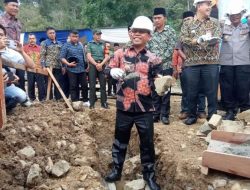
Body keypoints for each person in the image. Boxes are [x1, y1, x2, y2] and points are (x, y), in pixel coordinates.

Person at [105, 16, 161, 190]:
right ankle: (117, 170)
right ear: (130, 33)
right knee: (120, 141)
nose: (136, 34)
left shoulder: (154, 58)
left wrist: (162, 84)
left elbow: (157, 79)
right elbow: (107, 69)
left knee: (147, 143)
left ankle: (149, 176)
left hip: (145, 108)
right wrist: (111, 70)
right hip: (124, 106)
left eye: (141, 31)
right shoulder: (120, 54)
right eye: (134, 31)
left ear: (149, 36)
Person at [180, 0, 221, 125]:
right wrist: (196, 41)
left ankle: (212, 117)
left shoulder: (214, 22)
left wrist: (210, 40)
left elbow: (218, 35)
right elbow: (182, 38)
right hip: (192, 63)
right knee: (192, 91)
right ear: (198, 6)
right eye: (207, 5)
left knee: (212, 91)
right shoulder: (188, 23)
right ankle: (192, 115)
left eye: (210, 5)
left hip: (211, 62)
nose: (209, 7)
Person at [172, 11, 206, 120]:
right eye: (185, 20)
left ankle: (201, 111)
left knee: (200, 89)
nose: (187, 21)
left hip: (200, 65)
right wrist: (187, 58)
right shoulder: (182, 33)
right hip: (186, 66)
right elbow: (178, 49)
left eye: (189, 19)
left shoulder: (201, 31)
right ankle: (185, 110)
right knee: (186, 90)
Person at [219, 3, 250, 120]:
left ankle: (245, 110)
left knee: (244, 87)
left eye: (237, 15)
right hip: (226, 62)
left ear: (241, 14)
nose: (235, 17)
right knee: (226, 87)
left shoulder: (247, 25)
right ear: (229, 17)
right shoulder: (223, 26)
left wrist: (247, 18)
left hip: (244, 61)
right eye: (232, 16)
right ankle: (230, 111)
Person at [148, 7, 176, 125]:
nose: (156, 20)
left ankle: (164, 115)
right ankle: (155, 114)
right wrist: (152, 59)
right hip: (153, 67)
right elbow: (147, 48)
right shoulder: (150, 33)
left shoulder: (170, 31)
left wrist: (159, 59)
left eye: (159, 18)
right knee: (154, 91)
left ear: (165, 18)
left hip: (165, 66)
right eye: (155, 18)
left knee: (164, 92)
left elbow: (171, 48)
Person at [0, 24, 35, 111]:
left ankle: (6, 104)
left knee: (21, 96)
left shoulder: (12, 53)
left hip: (6, 86)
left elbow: (32, 66)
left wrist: (22, 51)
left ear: (5, 37)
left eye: (1, 35)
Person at [0, 0, 25, 91]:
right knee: (8, 77)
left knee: (20, 77)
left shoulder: (18, 22)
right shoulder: (0, 19)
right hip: (4, 53)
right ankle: (9, 99)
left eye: (17, 6)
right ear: (5, 6)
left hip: (16, 53)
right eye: (13, 5)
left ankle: (22, 98)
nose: (15, 8)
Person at [60, 30, 88, 104]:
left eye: (76, 36)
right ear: (70, 37)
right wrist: (68, 64)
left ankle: (85, 101)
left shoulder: (81, 45)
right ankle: (75, 101)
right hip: (71, 69)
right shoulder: (66, 45)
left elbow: (84, 56)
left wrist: (86, 65)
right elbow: (62, 57)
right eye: (73, 36)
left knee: (84, 85)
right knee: (73, 86)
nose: (75, 38)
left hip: (82, 69)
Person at [40, 27, 67, 100]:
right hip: (48, 67)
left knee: (58, 83)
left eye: (53, 33)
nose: (52, 34)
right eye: (50, 33)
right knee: (48, 84)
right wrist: (43, 66)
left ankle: (58, 99)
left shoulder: (60, 43)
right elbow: (42, 56)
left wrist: (64, 66)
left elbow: (62, 56)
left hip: (58, 66)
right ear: (47, 34)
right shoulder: (44, 43)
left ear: (55, 33)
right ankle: (49, 99)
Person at [87, 29, 109, 109]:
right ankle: (91, 104)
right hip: (93, 65)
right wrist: (96, 64)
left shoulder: (104, 44)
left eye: (100, 34)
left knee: (103, 84)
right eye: (97, 34)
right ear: (93, 35)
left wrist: (101, 64)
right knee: (92, 85)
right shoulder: (89, 44)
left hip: (102, 65)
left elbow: (107, 56)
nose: (99, 36)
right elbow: (89, 56)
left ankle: (104, 103)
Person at [23, 33, 46, 102]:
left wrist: (44, 66)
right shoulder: (24, 48)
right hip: (29, 69)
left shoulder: (40, 48)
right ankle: (32, 99)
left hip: (39, 69)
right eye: (30, 38)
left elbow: (43, 59)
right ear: (28, 40)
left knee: (41, 85)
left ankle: (42, 99)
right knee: (30, 84)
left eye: (33, 38)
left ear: (35, 39)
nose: (31, 40)